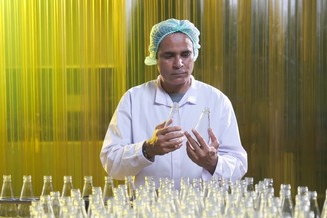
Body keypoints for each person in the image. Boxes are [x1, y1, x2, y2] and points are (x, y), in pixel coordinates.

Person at [100, 18, 247, 189]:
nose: (179, 64)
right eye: (169, 56)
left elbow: (239, 166)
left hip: (201, 211)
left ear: (194, 54)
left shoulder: (217, 101)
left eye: (185, 54)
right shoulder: (134, 99)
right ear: (155, 57)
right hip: (149, 211)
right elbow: (111, 164)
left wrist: (213, 162)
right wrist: (148, 149)